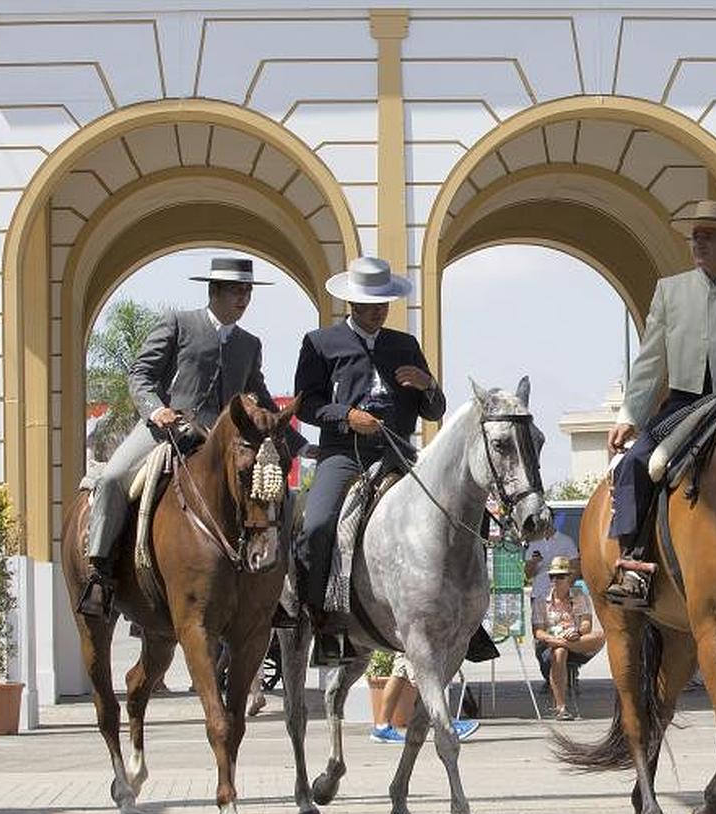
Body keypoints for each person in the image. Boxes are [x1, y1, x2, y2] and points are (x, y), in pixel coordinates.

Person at [78, 256, 302, 618]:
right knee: (112, 479)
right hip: (166, 431)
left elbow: (258, 395)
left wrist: (293, 441)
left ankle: (274, 588)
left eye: (247, 291)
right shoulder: (178, 323)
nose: (243, 298)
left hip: (222, 443)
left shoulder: (250, 344)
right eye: (235, 291)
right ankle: (100, 573)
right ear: (214, 291)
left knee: (276, 493)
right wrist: (156, 409)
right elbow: (141, 375)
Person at [605, 200, 716, 606]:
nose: (698, 242)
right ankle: (633, 565)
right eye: (696, 235)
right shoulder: (669, 291)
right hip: (684, 406)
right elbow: (651, 359)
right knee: (637, 464)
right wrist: (629, 415)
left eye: (709, 235)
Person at [292, 257, 446, 666]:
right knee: (318, 525)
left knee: (454, 511)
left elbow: (434, 412)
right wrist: (346, 416)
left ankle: (464, 616)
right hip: (344, 455)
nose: (380, 310)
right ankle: (318, 619)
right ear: (352, 305)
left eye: (385, 303)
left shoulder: (405, 345)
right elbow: (306, 405)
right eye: (372, 304)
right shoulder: (320, 342)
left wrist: (428, 386)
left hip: (398, 454)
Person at [532, 556, 605, 720]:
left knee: (601, 636)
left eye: (560, 576)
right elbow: (538, 632)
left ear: (569, 578)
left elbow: (587, 624)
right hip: (550, 645)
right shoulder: (541, 600)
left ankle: (566, 644)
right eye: (553, 576)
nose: (556, 580)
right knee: (559, 652)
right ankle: (561, 707)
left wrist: (577, 632)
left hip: (576, 641)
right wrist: (557, 641)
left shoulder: (579, 596)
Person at [371, 652, 479, 743]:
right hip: (412, 632)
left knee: (400, 670)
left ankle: (382, 726)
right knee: (423, 673)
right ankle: (447, 726)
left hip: (406, 632)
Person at [525, 524, 578, 611]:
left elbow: (576, 568)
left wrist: (564, 590)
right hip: (538, 595)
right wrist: (534, 562)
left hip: (562, 597)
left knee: (564, 623)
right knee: (540, 623)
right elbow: (528, 575)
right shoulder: (532, 543)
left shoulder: (566, 541)